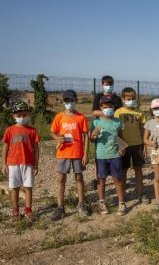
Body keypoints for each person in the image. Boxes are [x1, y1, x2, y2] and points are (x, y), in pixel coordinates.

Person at [50, 90, 89, 220]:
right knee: (61, 179)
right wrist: (57, 138)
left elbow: (86, 136)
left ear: (76, 101)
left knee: (79, 178)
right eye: (67, 101)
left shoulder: (81, 117)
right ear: (63, 102)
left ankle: (81, 204)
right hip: (63, 154)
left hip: (77, 153)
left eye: (72, 100)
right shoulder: (59, 117)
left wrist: (85, 154)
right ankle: (60, 207)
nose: (69, 103)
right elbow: (53, 133)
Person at [2, 101, 40, 221]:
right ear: (13, 116)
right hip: (13, 163)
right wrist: (4, 163)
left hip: (28, 163)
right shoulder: (10, 130)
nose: (21, 118)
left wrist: (36, 164)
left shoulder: (32, 131)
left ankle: (28, 210)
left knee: (28, 187)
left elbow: (36, 148)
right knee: (15, 187)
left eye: (24, 115)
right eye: (18, 116)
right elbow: (6, 147)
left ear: (28, 114)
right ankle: (15, 210)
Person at [90, 95, 127, 216]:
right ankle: (102, 202)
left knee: (117, 178)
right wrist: (93, 135)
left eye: (110, 106)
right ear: (101, 107)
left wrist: (122, 147)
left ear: (114, 107)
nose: (108, 109)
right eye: (105, 107)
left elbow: (120, 136)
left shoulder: (117, 122)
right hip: (101, 156)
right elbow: (92, 139)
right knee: (101, 179)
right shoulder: (96, 122)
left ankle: (121, 202)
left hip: (115, 155)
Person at [114, 87, 149, 204]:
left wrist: (145, 145)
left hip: (138, 144)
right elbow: (116, 130)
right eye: (129, 99)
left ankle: (141, 193)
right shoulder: (118, 112)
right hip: (124, 146)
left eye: (133, 98)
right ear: (123, 99)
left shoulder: (139, 113)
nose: (131, 101)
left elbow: (143, 129)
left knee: (138, 170)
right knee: (123, 170)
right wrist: (120, 145)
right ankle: (122, 196)